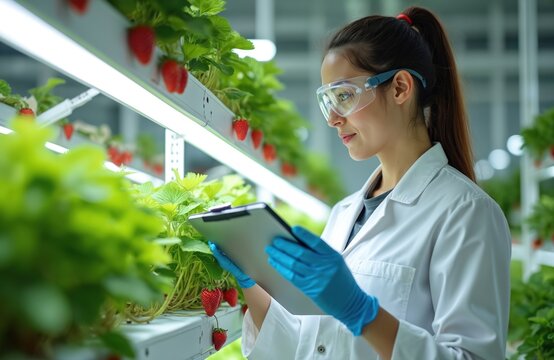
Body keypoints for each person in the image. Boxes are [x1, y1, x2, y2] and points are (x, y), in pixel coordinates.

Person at [210, 6, 511, 360]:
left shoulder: (466, 213)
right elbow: (310, 344)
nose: (334, 119)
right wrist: (252, 282)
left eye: (344, 96)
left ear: (400, 87)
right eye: (328, 102)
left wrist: (362, 313)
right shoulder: (343, 214)